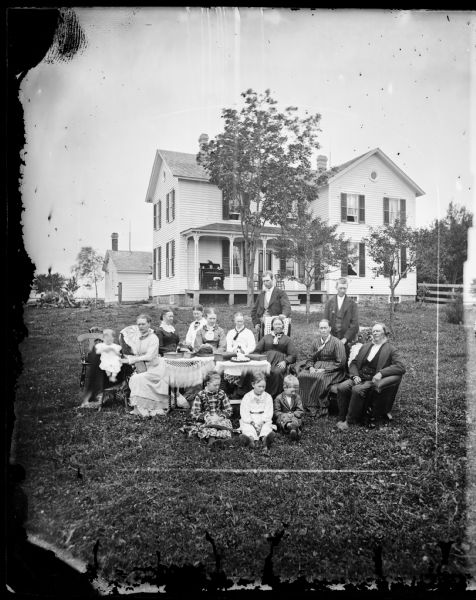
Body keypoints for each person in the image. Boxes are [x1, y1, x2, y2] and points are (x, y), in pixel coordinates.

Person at [335, 322, 406, 430]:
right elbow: (354, 363)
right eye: (373, 331)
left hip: (372, 380)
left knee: (357, 390)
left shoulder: (391, 349)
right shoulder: (366, 346)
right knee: (342, 387)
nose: (375, 333)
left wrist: (381, 373)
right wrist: (355, 375)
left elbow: (401, 366)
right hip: (360, 376)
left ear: (384, 333)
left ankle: (350, 421)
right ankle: (342, 416)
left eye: (378, 331)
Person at [121, 314, 170, 417]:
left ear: (149, 324)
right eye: (139, 324)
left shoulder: (154, 338)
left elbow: (149, 356)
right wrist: (127, 358)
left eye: (143, 324)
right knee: (135, 378)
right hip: (143, 367)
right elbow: (136, 353)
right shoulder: (138, 338)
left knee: (139, 378)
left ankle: (150, 407)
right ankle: (141, 408)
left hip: (156, 368)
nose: (140, 326)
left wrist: (131, 360)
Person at [298, 319, 347, 418]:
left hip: (333, 370)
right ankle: (304, 405)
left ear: (329, 329)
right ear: (319, 329)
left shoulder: (337, 342)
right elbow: (310, 358)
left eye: (325, 328)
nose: (323, 330)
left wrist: (324, 369)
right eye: (321, 328)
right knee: (302, 375)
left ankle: (318, 407)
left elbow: (341, 362)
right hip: (316, 367)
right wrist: (311, 367)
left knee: (320, 378)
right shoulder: (316, 342)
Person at [253, 316, 297, 398]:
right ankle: (260, 394)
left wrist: (285, 361)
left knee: (276, 373)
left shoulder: (287, 339)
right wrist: (259, 360)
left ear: (283, 326)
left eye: (280, 324)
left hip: (279, 362)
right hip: (266, 361)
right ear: (272, 326)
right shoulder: (266, 337)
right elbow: (257, 351)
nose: (278, 326)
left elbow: (293, 355)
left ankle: (274, 397)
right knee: (259, 372)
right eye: (276, 324)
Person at [189, 371, 233, 447]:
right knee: (208, 427)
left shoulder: (221, 393)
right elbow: (194, 413)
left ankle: (224, 441)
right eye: (215, 385)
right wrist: (205, 417)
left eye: (218, 385)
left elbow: (229, 409)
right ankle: (212, 440)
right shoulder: (201, 395)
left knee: (226, 425)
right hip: (207, 419)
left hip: (219, 417)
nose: (217, 387)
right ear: (208, 383)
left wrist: (221, 416)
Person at [239, 372, 276, 453]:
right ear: (253, 385)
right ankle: (250, 440)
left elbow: (268, 411)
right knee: (248, 429)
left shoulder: (268, 397)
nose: (262, 389)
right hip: (251, 419)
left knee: (266, 427)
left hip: (263, 419)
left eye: (264, 387)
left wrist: (262, 422)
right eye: (259, 386)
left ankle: (265, 440)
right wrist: (251, 422)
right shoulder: (247, 396)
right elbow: (244, 411)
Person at [323, 277, 359, 356]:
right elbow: (325, 321)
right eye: (340, 288)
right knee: (332, 358)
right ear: (336, 287)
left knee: (345, 360)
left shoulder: (352, 304)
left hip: (346, 339)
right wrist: (329, 336)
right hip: (332, 337)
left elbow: (354, 323)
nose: (342, 290)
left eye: (344, 288)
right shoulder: (329, 302)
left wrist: (346, 338)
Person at [251, 271, 291, 337]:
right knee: (263, 345)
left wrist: (284, 314)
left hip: (276, 325)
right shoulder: (261, 294)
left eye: (267, 280)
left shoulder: (280, 293)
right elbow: (254, 311)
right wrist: (256, 323)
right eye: (264, 281)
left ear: (272, 280)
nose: (265, 283)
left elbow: (286, 306)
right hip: (263, 325)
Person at [273, 375, 304, 441]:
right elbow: (276, 412)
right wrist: (285, 415)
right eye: (292, 391)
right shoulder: (278, 398)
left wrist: (293, 414)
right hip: (283, 417)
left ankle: (293, 428)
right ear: (285, 388)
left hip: (294, 416)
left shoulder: (297, 397)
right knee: (283, 420)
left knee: (295, 419)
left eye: (295, 391)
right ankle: (291, 427)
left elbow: (300, 410)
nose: (294, 393)